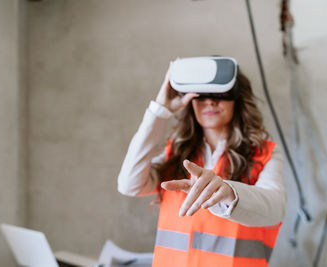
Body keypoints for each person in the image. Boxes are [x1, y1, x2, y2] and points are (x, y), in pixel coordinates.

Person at [117, 58, 286, 267]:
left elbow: (275, 208)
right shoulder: (175, 154)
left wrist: (228, 192)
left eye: (220, 94)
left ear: (238, 99)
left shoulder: (265, 153)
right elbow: (129, 184)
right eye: (201, 94)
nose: (210, 102)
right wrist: (160, 110)